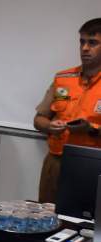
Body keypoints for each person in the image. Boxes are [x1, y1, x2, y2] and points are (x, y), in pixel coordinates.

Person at [34, 18, 101, 203]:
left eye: (93, 42)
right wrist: (49, 126)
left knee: (86, 223)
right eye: (82, 42)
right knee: (48, 216)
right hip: (56, 161)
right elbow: (39, 119)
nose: (85, 48)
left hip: (93, 164)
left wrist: (91, 129)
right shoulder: (63, 78)